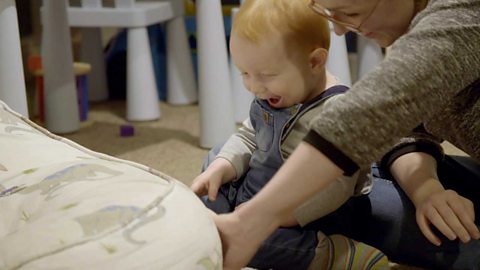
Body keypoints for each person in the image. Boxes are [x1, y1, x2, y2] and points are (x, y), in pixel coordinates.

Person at [213, 0, 480, 269]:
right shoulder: (414, 26)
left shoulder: (461, 16)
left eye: (352, 14)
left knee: (340, 199)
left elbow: (363, 118)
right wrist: (427, 189)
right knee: (322, 174)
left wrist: (257, 220)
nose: (339, 31)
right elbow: (406, 126)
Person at [190, 0, 389, 269]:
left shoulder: (337, 110)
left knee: (255, 243)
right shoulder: (274, 94)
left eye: (266, 75)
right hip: (259, 194)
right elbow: (250, 135)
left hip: (310, 216)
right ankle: (217, 225)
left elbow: (336, 187)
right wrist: (222, 167)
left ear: (315, 62)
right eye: (245, 73)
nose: (254, 87)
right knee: (215, 159)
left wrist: (277, 217)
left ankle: (329, 253)